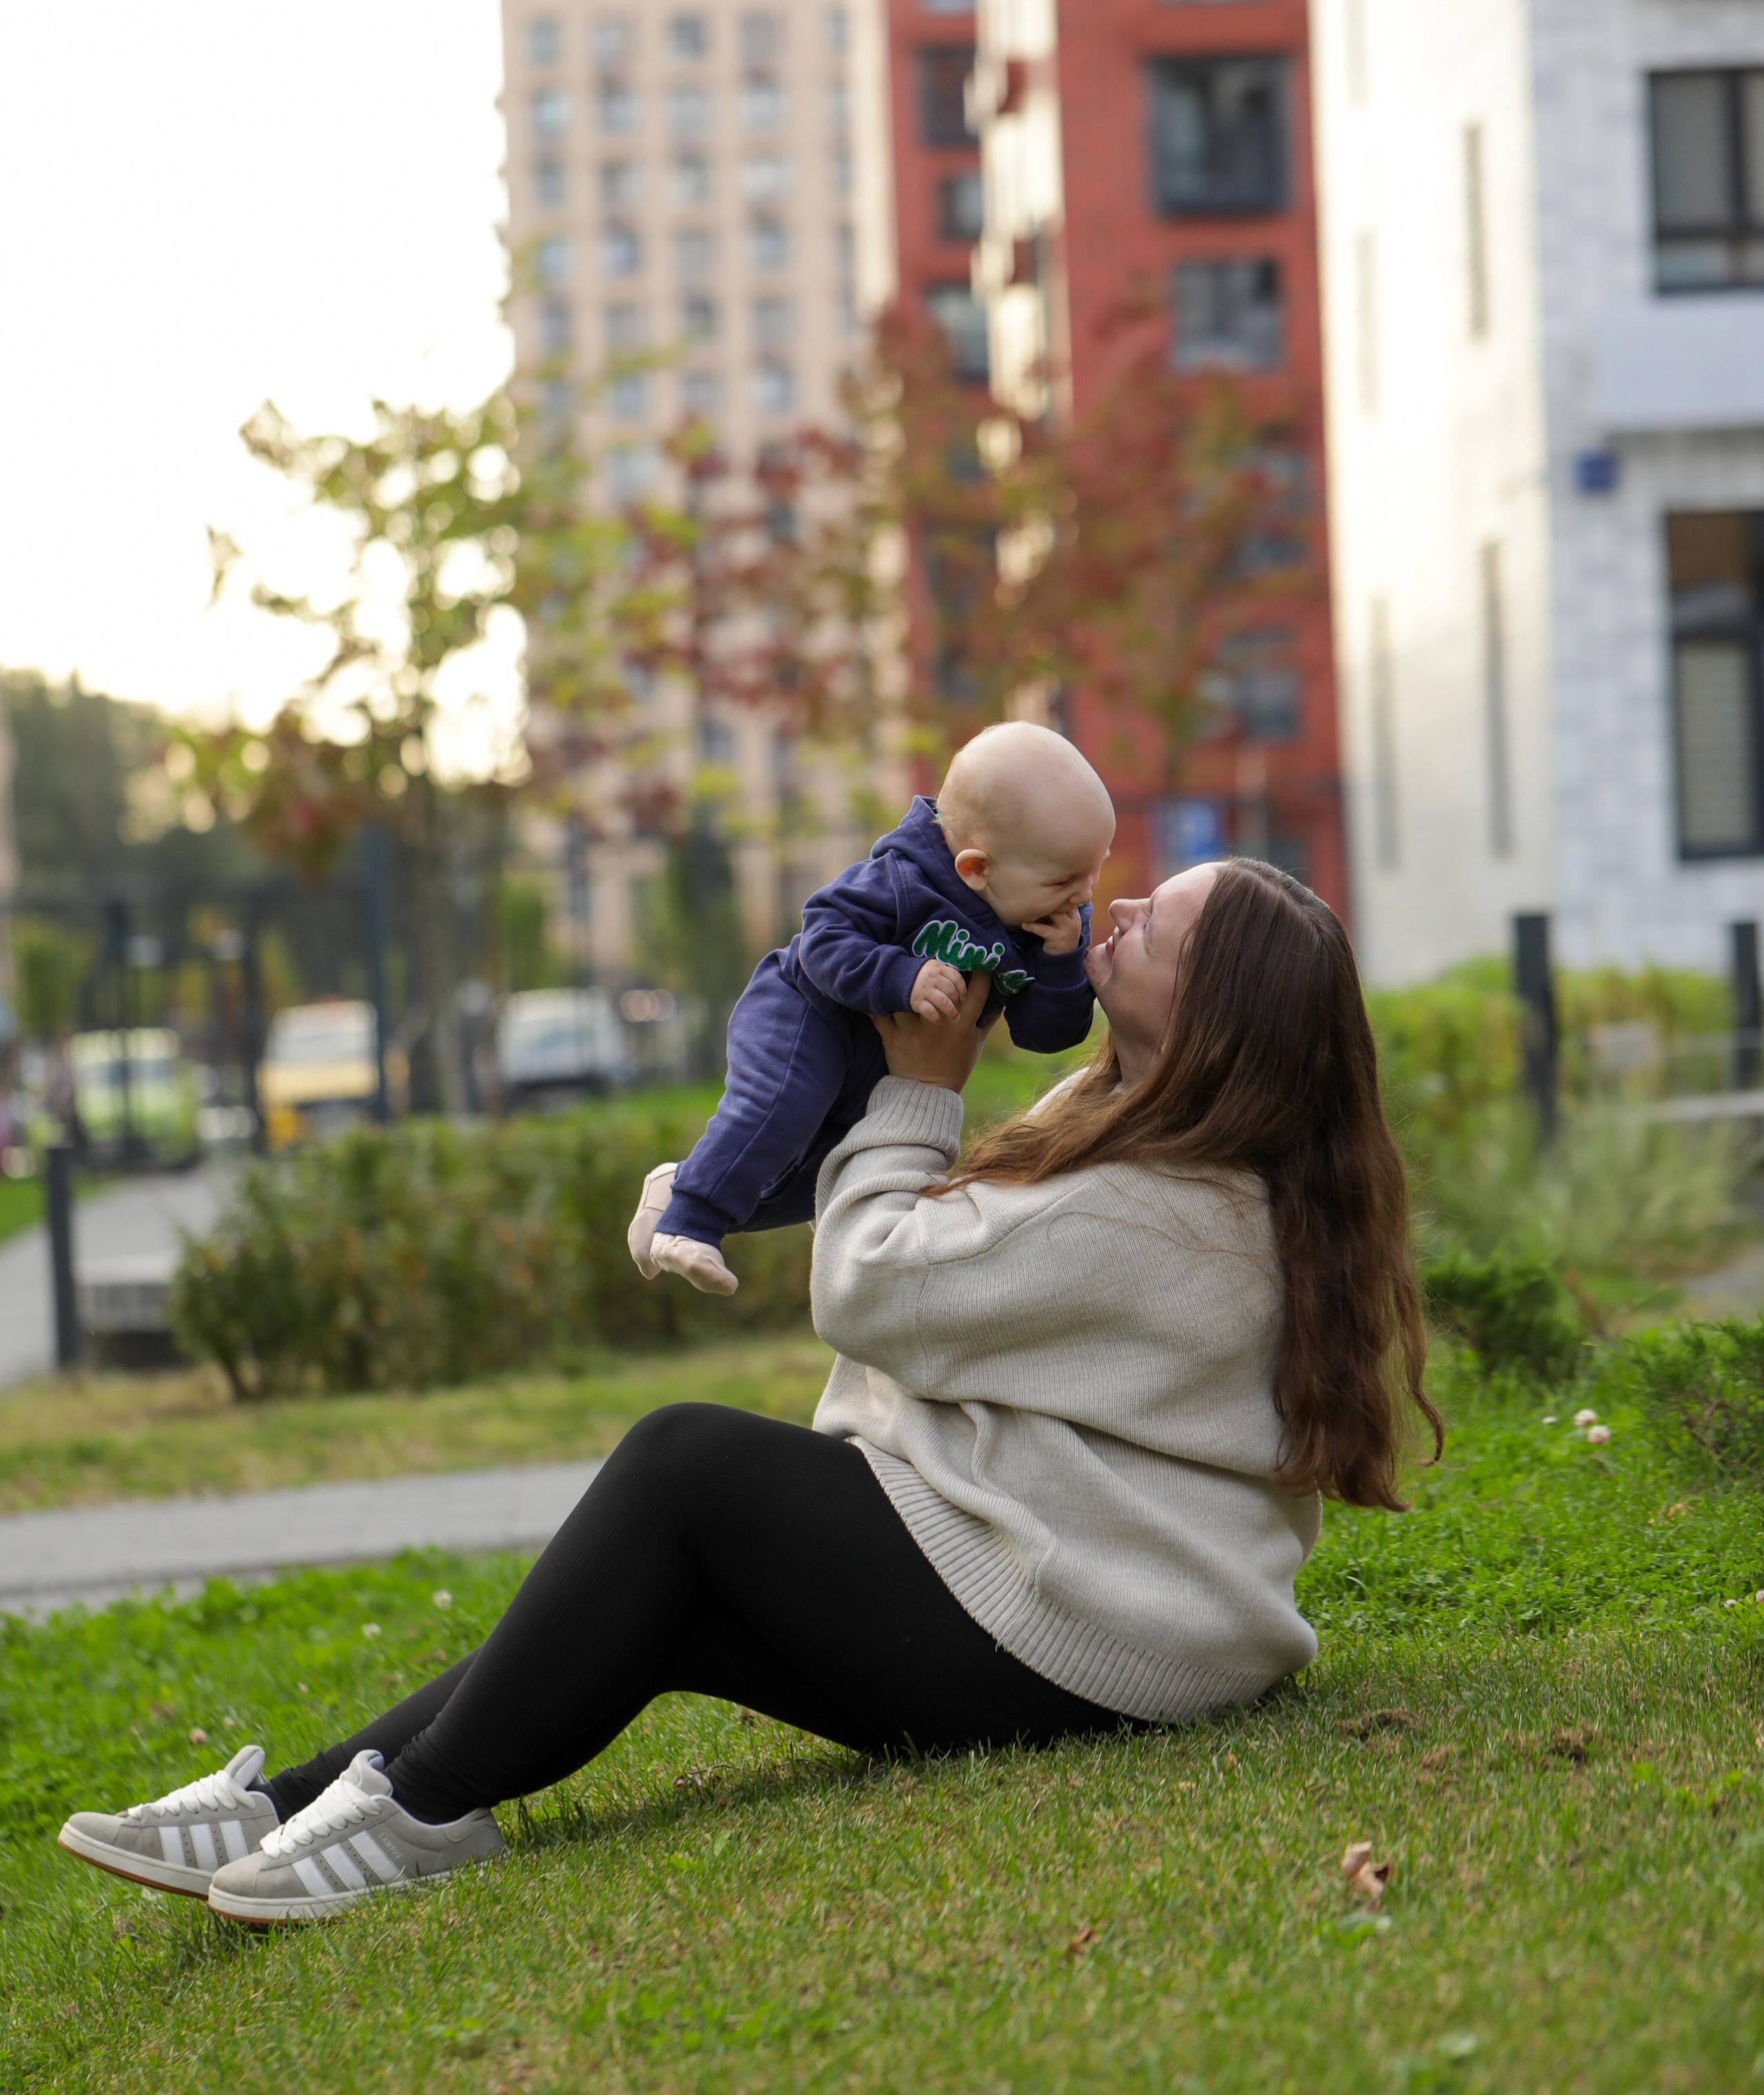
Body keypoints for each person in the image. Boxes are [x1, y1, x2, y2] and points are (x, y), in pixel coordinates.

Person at [58, 858, 1439, 1925]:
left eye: (1157, 929)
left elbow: (881, 1287)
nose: (1116, 912)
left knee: (687, 1467)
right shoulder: (1162, 1155)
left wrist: (923, 1086)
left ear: (1214, 1019)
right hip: (1106, 1616)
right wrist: (717, 1185)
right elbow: (954, 1241)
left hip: (1093, 1637)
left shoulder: (1161, 1209)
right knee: (672, 1605)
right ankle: (300, 1806)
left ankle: (415, 1813)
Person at [626, 722, 1114, 1293]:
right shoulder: (903, 879)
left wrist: (1060, 964)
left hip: (882, 1063)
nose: (1085, 894)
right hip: (808, 1012)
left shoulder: (1049, 921)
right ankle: (689, 1222)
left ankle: (681, 1189)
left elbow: (1045, 1034)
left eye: (1095, 870)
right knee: (783, 1110)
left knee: (829, 1176)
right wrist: (901, 976)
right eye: (1066, 879)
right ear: (977, 868)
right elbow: (823, 937)